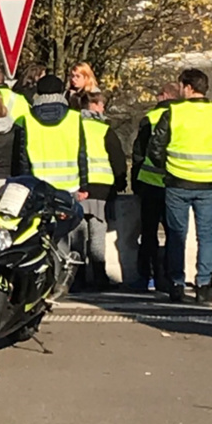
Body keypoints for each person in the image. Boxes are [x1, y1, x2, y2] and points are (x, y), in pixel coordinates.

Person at [147, 69, 212, 303]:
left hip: (177, 181)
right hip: (208, 182)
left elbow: (155, 147)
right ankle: (203, 285)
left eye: (181, 86)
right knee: (206, 235)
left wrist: (167, 167)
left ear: (188, 88)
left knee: (177, 234)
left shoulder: (173, 112)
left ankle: (177, 284)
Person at [75, 91, 127, 290]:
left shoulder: (73, 127)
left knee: (77, 235)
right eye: (102, 105)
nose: (103, 109)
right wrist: (120, 182)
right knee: (97, 233)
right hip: (101, 187)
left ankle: (77, 277)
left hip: (78, 185)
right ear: (94, 105)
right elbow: (117, 158)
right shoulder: (104, 129)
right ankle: (99, 276)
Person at [130, 82, 179, 292]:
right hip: (176, 183)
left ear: (164, 95)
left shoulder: (150, 119)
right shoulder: (182, 116)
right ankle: (170, 276)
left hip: (150, 183)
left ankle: (147, 276)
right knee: (174, 233)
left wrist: (135, 182)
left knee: (148, 233)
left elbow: (139, 153)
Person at [13, 75, 88, 197]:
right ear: (61, 91)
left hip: (38, 187)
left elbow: (23, 158)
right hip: (70, 187)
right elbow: (82, 153)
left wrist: (25, 184)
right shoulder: (74, 118)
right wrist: (84, 185)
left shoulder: (27, 119)